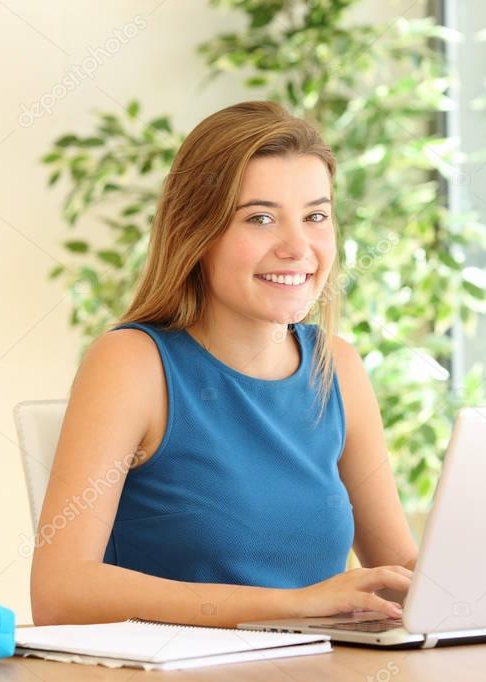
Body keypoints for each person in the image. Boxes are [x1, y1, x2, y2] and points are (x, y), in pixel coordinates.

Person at [31, 100, 418, 627]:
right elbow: (60, 590)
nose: (297, 246)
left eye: (316, 216)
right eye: (260, 218)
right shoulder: (131, 364)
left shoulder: (336, 366)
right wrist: (293, 605)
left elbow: (398, 567)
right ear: (198, 233)